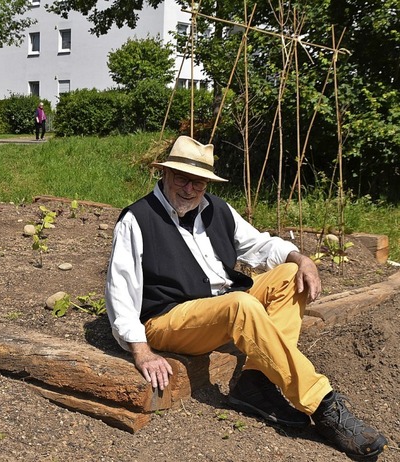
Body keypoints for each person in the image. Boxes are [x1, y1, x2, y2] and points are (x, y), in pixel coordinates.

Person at [105, 135, 388, 458]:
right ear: (165, 173)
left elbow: (261, 246)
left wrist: (301, 259)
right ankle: (324, 406)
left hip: (222, 305)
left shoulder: (216, 209)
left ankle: (256, 381)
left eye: (199, 183)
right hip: (168, 318)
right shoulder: (137, 219)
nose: (189, 189)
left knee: (288, 275)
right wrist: (141, 351)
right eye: (182, 179)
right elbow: (120, 291)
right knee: (241, 304)